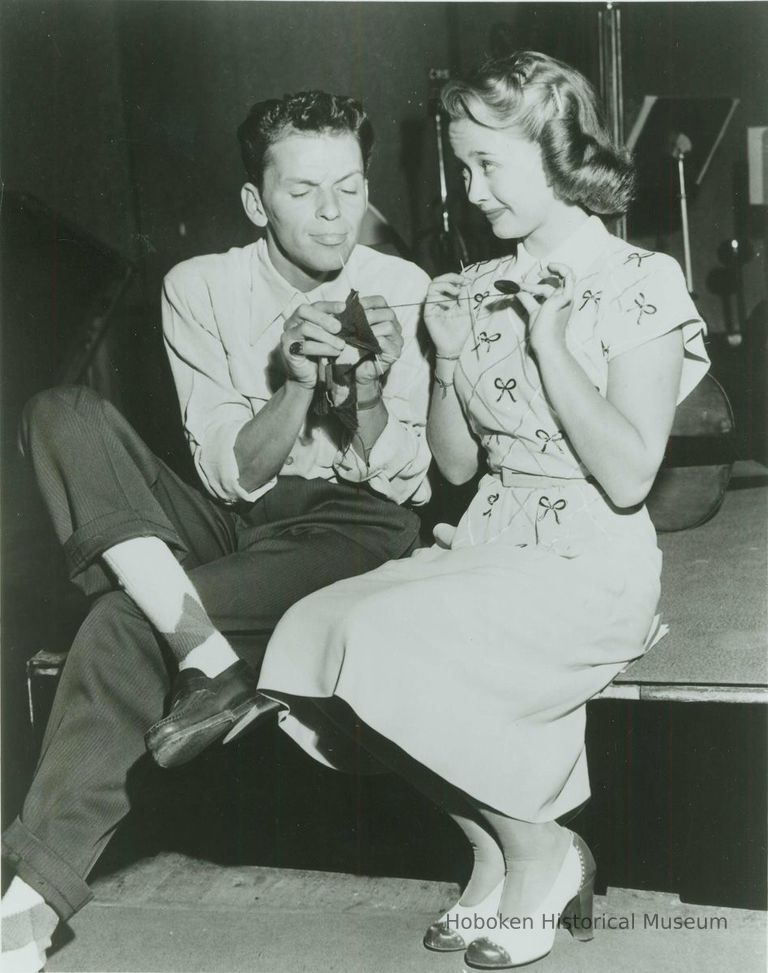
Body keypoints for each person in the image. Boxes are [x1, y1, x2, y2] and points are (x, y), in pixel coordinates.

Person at [256, 52, 710, 970]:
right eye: (461, 168)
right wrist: (454, 360)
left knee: (382, 640)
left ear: (556, 154)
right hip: (490, 536)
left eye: (488, 165)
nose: (469, 191)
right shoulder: (467, 285)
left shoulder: (640, 282)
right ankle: (494, 847)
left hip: (589, 558)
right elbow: (456, 463)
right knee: (310, 630)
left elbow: (628, 475)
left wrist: (550, 346)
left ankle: (541, 846)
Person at [1, 90, 431, 972]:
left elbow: (409, 480)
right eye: (304, 190)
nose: (331, 213)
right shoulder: (200, 285)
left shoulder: (404, 288)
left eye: (348, 187)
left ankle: (25, 906)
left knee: (123, 620)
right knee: (60, 411)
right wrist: (300, 385)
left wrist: (374, 391)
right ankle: (207, 656)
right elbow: (226, 470)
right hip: (235, 513)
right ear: (255, 202)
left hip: (349, 520)